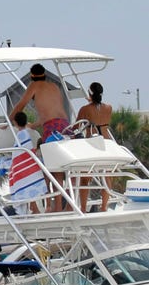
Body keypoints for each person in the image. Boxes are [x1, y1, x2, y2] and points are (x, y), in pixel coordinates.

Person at [9, 64, 70, 211]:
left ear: (32, 75)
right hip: (65, 125)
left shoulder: (34, 85)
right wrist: (35, 125)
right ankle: (63, 207)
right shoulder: (54, 87)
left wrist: (10, 120)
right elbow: (53, 112)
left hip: (51, 128)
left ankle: (52, 207)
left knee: (51, 168)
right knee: (61, 168)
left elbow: (20, 106)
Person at [76, 82, 113, 212]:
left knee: (85, 179)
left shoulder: (85, 109)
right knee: (106, 177)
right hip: (106, 143)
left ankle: (83, 208)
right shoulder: (108, 107)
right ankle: (104, 207)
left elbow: (76, 127)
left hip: (91, 143)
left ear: (89, 94)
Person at [9, 112, 48, 214]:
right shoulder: (28, 133)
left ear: (15, 123)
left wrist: (14, 164)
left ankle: (34, 208)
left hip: (26, 163)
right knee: (30, 183)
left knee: (26, 181)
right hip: (30, 161)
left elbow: (18, 152)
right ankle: (34, 207)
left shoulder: (21, 134)